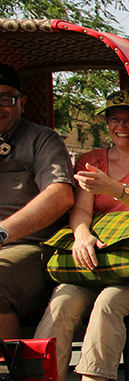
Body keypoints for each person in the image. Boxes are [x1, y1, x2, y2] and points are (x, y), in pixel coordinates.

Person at [21, 89, 129, 381]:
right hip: (90, 261)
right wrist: (81, 233)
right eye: (114, 119)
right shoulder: (90, 160)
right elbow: (81, 208)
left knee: (107, 305)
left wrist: (112, 187)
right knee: (61, 304)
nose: (121, 126)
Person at [0, 63, 75, 339]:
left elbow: (60, 195)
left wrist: (3, 233)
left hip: (32, 249)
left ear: (22, 102)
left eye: (5, 98)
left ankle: (8, 378)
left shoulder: (42, 140)